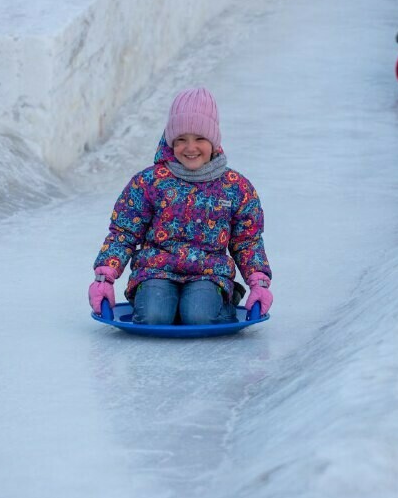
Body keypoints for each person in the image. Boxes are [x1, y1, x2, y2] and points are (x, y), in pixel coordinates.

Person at [88, 87, 273, 325]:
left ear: (214, 141)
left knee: (198, 315)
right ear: (170, 141)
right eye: (181, 139)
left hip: (209, 275)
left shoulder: (235, 187)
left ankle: (217, 306)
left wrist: (258, 281)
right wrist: (105, 277)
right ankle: (160, 303)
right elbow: (123, 233)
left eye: (200, 138)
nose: (190, 147)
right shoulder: (150, 182)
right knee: (153, 315)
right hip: (156, 271)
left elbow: (247, 240)